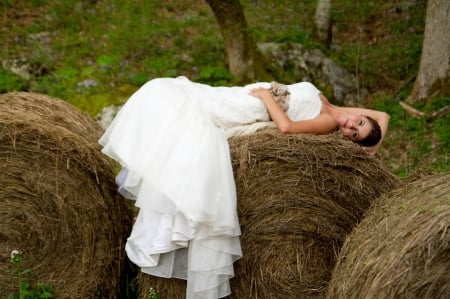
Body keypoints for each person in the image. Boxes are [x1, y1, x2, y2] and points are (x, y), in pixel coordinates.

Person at [98, 76, 389, 299]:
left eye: (354, 134)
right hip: (252, 93)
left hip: (258, 103)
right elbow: (384, 117)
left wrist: (265, 96)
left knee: (181, 100)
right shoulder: (339, 109)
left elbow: (286, 127)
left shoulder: (328, 121)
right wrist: (371, 147)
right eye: (360, 122)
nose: (351, 125)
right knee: (178, 94)